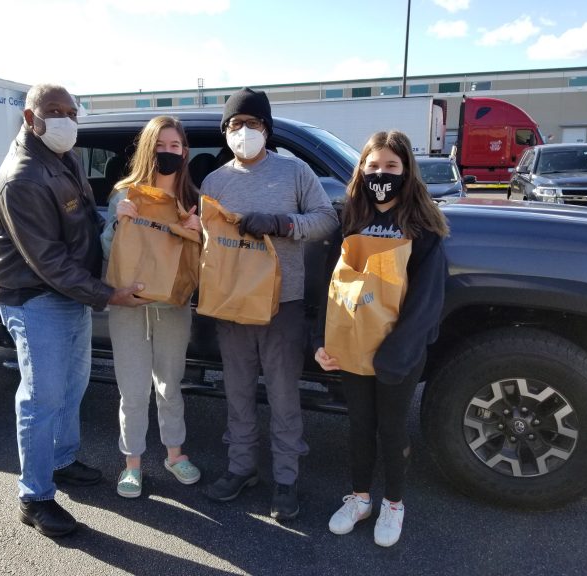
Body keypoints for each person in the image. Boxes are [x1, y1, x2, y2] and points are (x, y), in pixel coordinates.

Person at [0, 83, 148, 537]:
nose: (64, 119)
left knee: (72, 387)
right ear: (29, 117)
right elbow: (48, 260)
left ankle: (62, 459)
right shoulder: (22, 177)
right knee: (41, 399)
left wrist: (117, 218)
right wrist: (108, 294)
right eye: (53, 111)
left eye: (71, 111)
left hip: (70, 292)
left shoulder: (64, 159)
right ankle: (34, 496)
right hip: (35, 297)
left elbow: (86, 214)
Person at [200, 88, 338, 520]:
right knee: (237, 392)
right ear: (226, 132)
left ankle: (285, 478)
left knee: (282, 394)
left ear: (267, 128)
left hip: (284, 303)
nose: (244, 132)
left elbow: (326, 220)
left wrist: (282, 223)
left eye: (253, 124)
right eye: (235, 125)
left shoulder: (293, 172)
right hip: (232, 305)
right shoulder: (214, 182)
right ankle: (241, 468)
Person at [313, 130, 449, 547]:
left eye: (391, 166)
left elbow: (428, 299)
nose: (381, 174)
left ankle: (393, 502)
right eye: (373, 166)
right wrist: (323, 341)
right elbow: (330, 285)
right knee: (359, 425)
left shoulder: (422, 226)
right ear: (361, 170)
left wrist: (397, 352)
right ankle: (359, 498)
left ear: (406, 170)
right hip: (352, 347)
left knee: (392, 428)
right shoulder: (347, 218)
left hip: (398, 352)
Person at [100, 116, 202, 498]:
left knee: (170, 384)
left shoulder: (191, 200)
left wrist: (197, 234)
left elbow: (203, 263)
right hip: (129, 304)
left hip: (173, 305)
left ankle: (175, 455)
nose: (168, 153)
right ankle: (132, 464)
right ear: (148, 149)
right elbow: (108, 256)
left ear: (184, 151)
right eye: (160, 146)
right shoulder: (125, 194)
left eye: (174, 146)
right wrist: (117, 223)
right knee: (132, 388)